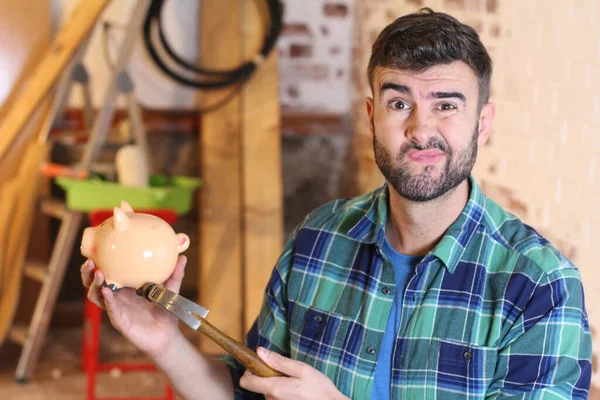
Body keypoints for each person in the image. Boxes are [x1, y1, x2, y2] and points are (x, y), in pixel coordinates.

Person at [81, 8, 592, 400]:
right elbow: (249, 391)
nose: (420, 129)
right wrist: (165, 343)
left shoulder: (539, 286)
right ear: (371, 115)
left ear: (482, 122)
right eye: (399, 103)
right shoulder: (318, 239)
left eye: (446, 106)